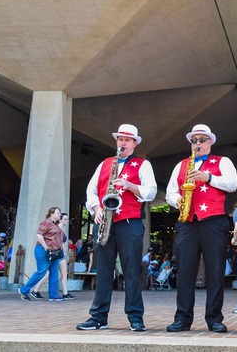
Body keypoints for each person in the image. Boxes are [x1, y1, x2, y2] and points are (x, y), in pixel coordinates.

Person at [76, 124, 157, 332]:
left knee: (131, 271)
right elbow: (91, 190)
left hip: (130, 222)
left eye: (127, 140)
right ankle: (98, 317)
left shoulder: (142, 165)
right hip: (105, 222)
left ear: (135, 143)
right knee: (103, 270)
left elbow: (151, 192)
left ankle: (135, 317)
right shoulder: (105, 163)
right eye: (120, 139)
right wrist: (96, 208)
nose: (123, 143)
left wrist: (129, 185)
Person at [165, 124, 237, 333]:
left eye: (202, 140)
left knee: (215, 272)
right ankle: (182, 318)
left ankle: (214, 318)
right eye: (194, 140)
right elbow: (170, 191)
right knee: (185, 272)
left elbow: (232, 184)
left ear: (210, 142)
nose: (198, 144)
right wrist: (178, 200)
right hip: (187, 221)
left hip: (214, 221)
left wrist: (209, 178)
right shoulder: (181, 164)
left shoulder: (223, 162)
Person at [18, 206, 65, 302]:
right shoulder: (46, 222)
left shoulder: (55, 224)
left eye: (59, 213)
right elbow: (39, 235)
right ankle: (24, 290)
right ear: (51, 213)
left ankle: (53, 295)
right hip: (44, 250)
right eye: (57, 213)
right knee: (42, 271)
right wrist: (46, 247)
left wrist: (61, 245)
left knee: (54, 273)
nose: (59, 214)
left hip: (55, 252)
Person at [32, 212, 75, 300]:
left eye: (67, 219)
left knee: (64, 272)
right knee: (50, 273)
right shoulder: (56, 228)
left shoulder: (61, 230)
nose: (67, 221)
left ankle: (65, 293)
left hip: (60, 253)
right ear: (60, 220)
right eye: (65, 219)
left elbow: (61, 242)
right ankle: (35, 290)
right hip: (55, 252)